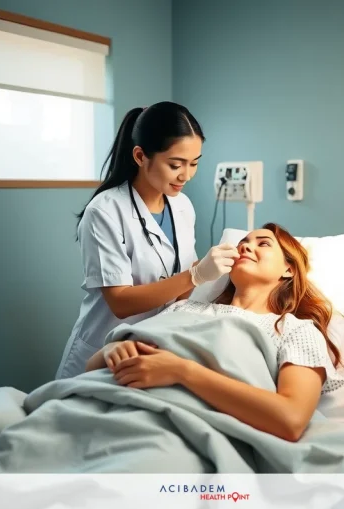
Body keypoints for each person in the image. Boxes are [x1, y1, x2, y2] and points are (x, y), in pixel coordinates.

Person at [85, 223, 344, 442]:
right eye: (243, 243)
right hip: (108, 408)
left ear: (288, 269)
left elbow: (291, 420)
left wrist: (181, 371)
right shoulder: (184, 307)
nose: (245, 247)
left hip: (176, 431)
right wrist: (112, 350)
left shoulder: (295, 329)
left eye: (263, 244)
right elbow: (91, 368)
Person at [57, 102, 240, 379]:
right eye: (175, 165)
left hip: (152, 349)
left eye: (194, 163)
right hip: (103, 350)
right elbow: (121, 303)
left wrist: (206, 278)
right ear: (141, 156)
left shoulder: (182, 206)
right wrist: (195, 275)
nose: (187, 175)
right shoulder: (105, 211)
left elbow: (181, 291)